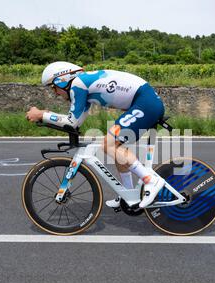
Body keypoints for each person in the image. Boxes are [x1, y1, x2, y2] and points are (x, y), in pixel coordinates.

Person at [26, 62, 165, 209]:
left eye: (54, 87)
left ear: (62, 80)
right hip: (145, 101)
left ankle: (151, 180)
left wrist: (41, 114)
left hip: (145, 103)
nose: (55, 93)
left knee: (109, 144)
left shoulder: (78, 85)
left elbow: (71, 122)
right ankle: (128, 195)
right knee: (117, 148)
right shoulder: (84, 87)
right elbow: (75, 123)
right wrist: (44, 116)